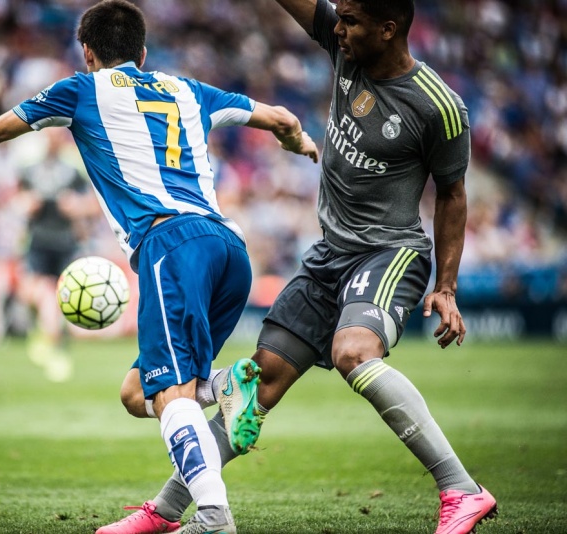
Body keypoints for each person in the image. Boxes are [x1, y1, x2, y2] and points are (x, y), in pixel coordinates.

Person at [0, 1, 319, 532]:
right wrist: (300, 142)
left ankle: (214, 516)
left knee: (170, 395)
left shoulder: (82, 89)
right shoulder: (187, 89)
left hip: (171, 245)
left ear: (88, 53)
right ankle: (221, 388)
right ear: (142, 54)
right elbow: (282, 118)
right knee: (136, 392)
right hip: (228, 248)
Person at [99, 1, 498, 534]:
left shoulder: (439, 107)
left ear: (388, 29)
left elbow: (452, 194)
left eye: (351, 21)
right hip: (329, 256)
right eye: (340, 17)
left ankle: (462, 489)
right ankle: (168, 511)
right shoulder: (345, 48)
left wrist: (445, 286)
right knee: (256, 384)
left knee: (353, 352)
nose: (339, 28)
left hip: (390, 252)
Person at [16, 130, 95, 382]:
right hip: (38, 240)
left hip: (65, 242)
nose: (53, 140)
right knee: (31, 293)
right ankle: (43, 333)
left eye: (58, 135)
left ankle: (55, 346)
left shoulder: (72, 170)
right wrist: (28, 204)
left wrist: (76, 208)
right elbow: (18, 199)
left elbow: (92, 203)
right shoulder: (30, 169)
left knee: (57, 296)